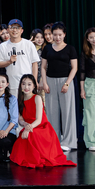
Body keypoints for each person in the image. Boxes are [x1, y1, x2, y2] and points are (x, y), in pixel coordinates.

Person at [10, 75, 76, 168]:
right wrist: (25, 124)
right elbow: (20, 119)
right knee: (22, 141)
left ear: (34, 86)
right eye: (23, 84)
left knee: (31, 135)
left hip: (41, 127)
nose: (26, 87)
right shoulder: (20, 100)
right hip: (29, 126)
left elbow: (39, 120)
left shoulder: (37, 98)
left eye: (29, 84)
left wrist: (28, 129)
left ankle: (36, 157)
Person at [40, 22, 79, 152]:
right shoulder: (47, 49)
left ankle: (68, 141)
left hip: (65, 82)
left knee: (67, 112)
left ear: (64, 35)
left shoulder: (70, 49)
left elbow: (74, 68)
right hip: (50, 81)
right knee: (52, 112)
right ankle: (54, 139)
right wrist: (45, 83)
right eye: (55, 35)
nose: (57, 37)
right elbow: (43, 67)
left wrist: (67, 83)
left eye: (60, 35)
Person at [0, 19, 39, 94]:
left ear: (22, 30)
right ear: (8, 30)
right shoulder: (2, 46)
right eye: (12, 27)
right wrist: (9, 62)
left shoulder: (28, 44)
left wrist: (34, 81)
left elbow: (34, 63)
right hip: (12, 84)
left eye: (17, 28)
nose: (15, 30)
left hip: (27, 83)